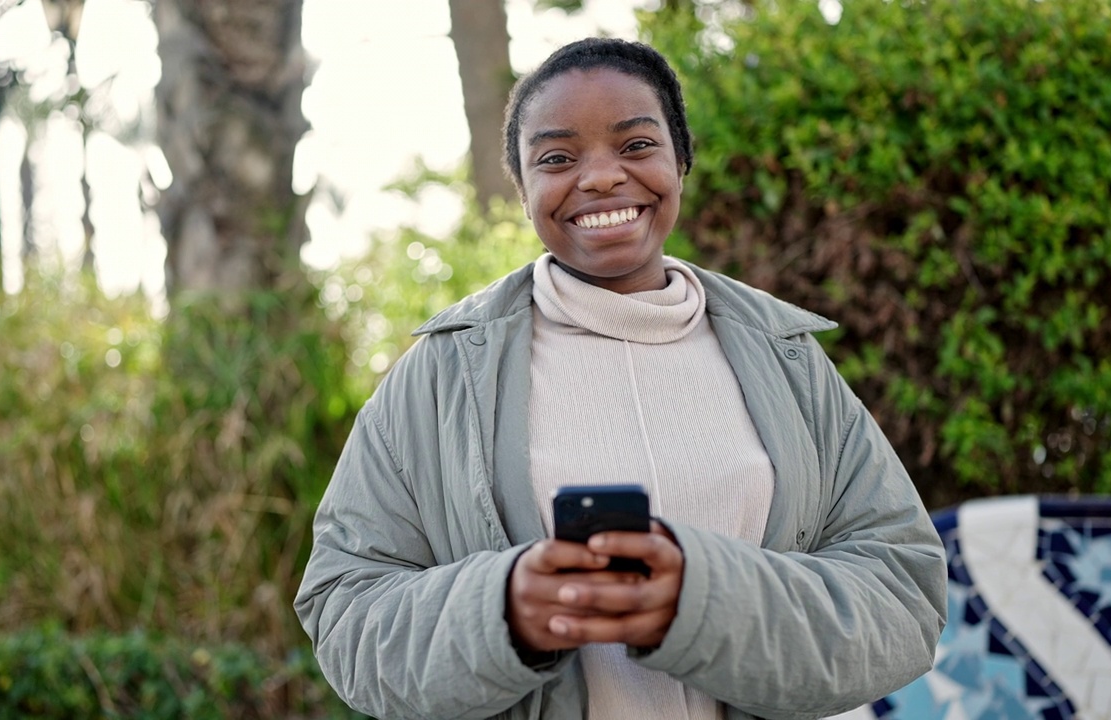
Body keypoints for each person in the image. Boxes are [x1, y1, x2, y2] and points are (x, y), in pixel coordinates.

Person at [294, 37, 947, 720]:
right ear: (522, 190)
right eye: (557, 158)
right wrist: (504, 611)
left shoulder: (786, 360)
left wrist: (700, 601)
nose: (602, 177)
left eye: (635, 145)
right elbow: (347, 615)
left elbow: (904, 595)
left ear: (681, 160)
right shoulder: (439, 378)